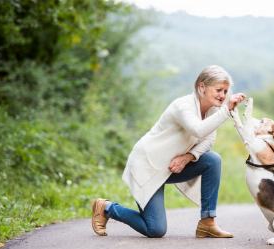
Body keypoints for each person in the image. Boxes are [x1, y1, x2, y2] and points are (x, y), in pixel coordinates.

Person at [91, 65, 246, 238]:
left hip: (171, 167)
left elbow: (208, 140)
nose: (223, 96)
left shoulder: (213, 111)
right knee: (155, 230)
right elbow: (198, 130)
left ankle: (207, 223)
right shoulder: (183, 106)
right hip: (148, 166)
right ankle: (106, 208)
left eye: (225, 91)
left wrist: (188, 157)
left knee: (213, 160)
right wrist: (227, 110)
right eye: (219, 90)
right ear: (202, 87)